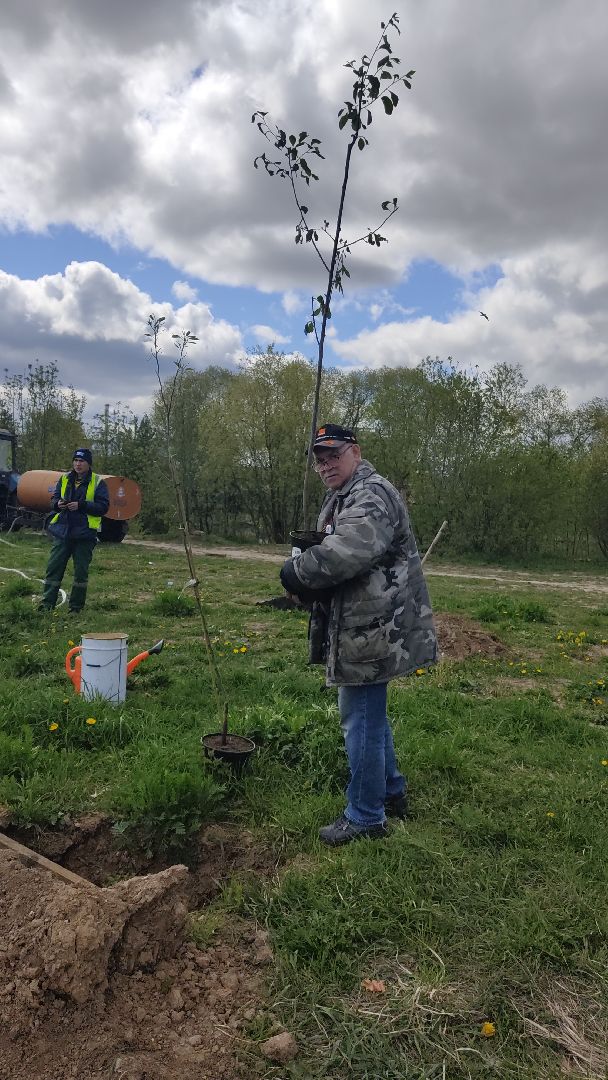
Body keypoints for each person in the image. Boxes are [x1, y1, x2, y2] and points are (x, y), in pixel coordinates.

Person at [280, 424, 437, 846]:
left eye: (333, 454)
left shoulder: (370, 494)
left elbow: (345, 552)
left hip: (375, 626)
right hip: (366, 622)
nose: (325, 464)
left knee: (360, 717)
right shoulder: (345, 494)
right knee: (369, 713)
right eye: (319, 458)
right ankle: (390, 790)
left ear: (355, 452)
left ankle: (366, 816)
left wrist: (296, 572)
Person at [39, 448, 109, 614]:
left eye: (82, 461)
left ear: (88, 464)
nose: (78, 464)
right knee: (53, 569)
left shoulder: (98, 482)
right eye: (76, 461)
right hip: (63, 532)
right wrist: (58, 504)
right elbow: (53, 500)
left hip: (85, 534)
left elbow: (103, 507)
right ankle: (46, 605)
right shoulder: (64, 479)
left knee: (80, 573)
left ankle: (75, 609)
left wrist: (82, 505)